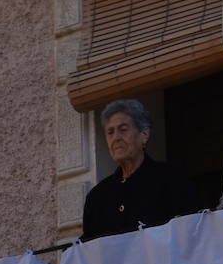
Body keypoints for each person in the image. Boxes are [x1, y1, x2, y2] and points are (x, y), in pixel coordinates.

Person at [81, 99, 199, 240]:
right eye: (110, 132)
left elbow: (193, 231)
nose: (116, 138)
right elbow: (88, 250)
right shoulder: (97, 197)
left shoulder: (171, 178)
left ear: (144, 134)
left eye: (123, 129)